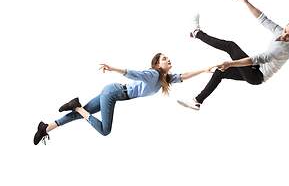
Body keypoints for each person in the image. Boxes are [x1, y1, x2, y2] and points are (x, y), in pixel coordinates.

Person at [34, 53, 214, 145]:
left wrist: (203, 70)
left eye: (168, 58)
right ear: (158, 65)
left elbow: (184, 75)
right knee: (104, 130)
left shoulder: (165, 79)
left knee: (80, 116)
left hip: (112, 92)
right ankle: (78, 107)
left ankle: (45, 128)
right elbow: (133, 73)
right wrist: (113, 68)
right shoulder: (152, 74)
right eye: (165, 59)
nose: (169, 60)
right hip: (113, 93)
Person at [177, 0, 289, 111]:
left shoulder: (283, 51)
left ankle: (197, 33)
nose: (284, 35)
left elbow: (256, 59)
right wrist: (246, 2)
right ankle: (197, 101)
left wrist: (231, 63)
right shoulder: (279, 31)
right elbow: (263, 19)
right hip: (255, 68)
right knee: (220, 72)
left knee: (231, 46)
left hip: (256, 75)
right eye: (285, 31)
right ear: (285, 27)